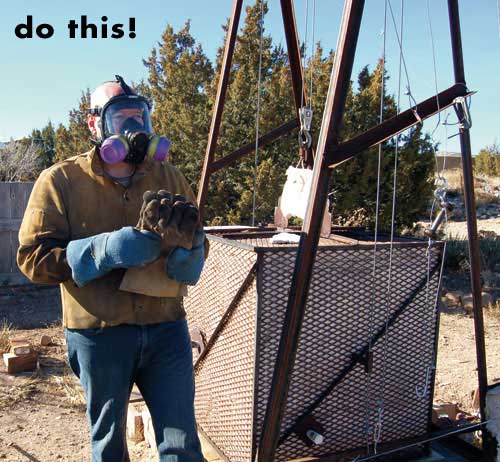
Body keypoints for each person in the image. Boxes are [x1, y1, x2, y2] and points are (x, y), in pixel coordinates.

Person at [17, 76, 206, 462]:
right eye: (121, 118)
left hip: (166, 327)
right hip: (99, 336)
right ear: (95, 124)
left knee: (182, 444)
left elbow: (193, 234)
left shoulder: (169, 177)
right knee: (109, 447)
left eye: (141, 117)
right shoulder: (61, 181)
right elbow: (32, 258)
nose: (134, 128)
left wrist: (193, 256)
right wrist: (100, 251)